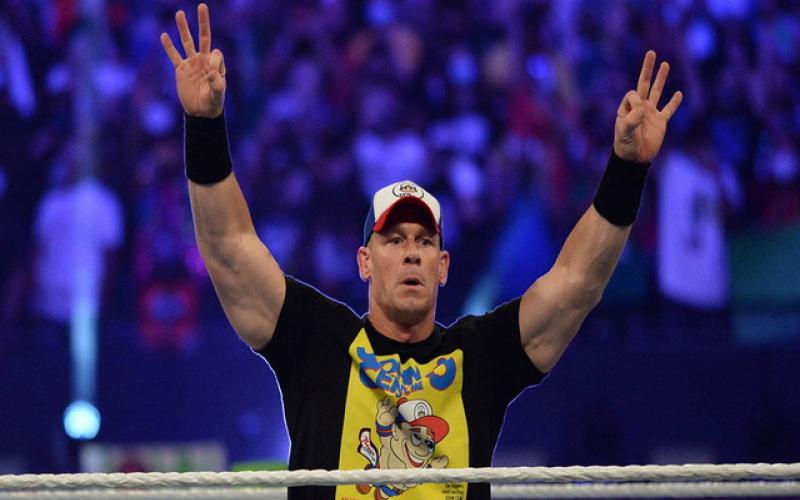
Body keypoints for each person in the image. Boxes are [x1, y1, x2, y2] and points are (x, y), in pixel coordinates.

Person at [160, 4, 682, 499]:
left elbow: (577, 283)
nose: (411, 253)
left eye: (425, 241)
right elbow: (228, 248)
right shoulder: (317, 340)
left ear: (443, 266)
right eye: (394, 240)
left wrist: (627, 170)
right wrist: (204, 126)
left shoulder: (478, 357)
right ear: (364, 261)